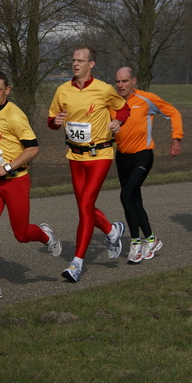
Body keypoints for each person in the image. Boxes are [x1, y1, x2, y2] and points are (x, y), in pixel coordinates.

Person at [0, 70, 62, 300]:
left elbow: (33, 148)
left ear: (7, 90)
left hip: (16, 181)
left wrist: (8, 167)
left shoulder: (15, 115)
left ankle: (46, 236)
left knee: (21, 234)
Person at [48, 46, 130, 282]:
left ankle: (77, 262)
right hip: (75, 156)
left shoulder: (104, 89)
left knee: (85, 207)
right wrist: (55, 121)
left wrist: (118, 122)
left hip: (100, 154)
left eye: (80, 61)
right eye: (73, 60)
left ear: (91, 64)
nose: (75, 64)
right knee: (84, 206)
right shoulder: (62, 90)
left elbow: (124, 108)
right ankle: (112, 231)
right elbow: (51, 120)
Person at [113, 67, 183, 264]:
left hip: (142, 157)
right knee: (134, 200)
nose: (120, 85)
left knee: (126, 196)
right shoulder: (113, 101)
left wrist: (176, 139)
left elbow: (173, 112)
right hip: (122, 157)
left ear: (133, 81)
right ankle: (151, 239)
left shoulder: (146, 99)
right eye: (117, 82)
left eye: (124, 81)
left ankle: (135, 242)